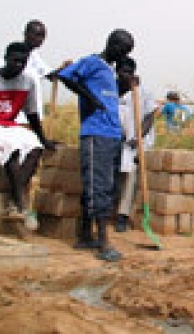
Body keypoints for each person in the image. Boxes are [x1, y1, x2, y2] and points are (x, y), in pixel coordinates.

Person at [51, 29, 134, 262]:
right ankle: (103, 242)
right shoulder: (92, 62)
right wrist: (89, 99)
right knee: (98, 186)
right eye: (122, 50)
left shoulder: (109, 70)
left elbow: (110, 95)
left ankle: (86, 235)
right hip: (95, 133)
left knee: (106, 187)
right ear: (112, 44)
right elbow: (67, 76)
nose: (123, 56)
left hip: (111, 134)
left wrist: (125, 86)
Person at [0, 42, 55, 230]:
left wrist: (43, 138)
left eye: (22, 62)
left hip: (8, 123)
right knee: (11, 149)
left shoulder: (28, 82)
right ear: (5, 59)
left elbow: (32, 114)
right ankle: (21, 205)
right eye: (15, 61)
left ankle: (14, 198)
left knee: (34, 146)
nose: (18, 66)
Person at [114, 56, 158, 232]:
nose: (126, 75)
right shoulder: (113, 92)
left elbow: (149, 117)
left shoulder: (143, 93)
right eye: (122, 72)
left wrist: (138, 138)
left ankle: (122, 216)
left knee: (130, 175)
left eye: (129, 72)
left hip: (137, 142)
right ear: (117, 73)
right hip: (117, 140)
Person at [0, 20, 52, 124]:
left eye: (43, 36)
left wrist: (66, 69)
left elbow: (50, 75)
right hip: (14, 118)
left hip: (32, 118)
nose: (41, 39)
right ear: (26, 34)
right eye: (38, 35)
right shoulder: (13, 55)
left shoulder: (35, 57)